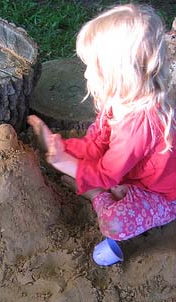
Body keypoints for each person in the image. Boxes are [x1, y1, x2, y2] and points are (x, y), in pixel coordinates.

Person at [28, 3, 176, 242]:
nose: (86, 75)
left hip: (162, 193)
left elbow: (107, 173)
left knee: (114, 224)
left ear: (121, 75)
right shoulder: (119, 100)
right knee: (106, 173)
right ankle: (118, 191)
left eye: (93, 69)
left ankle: (96, 196)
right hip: (131, 173)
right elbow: (96, 144)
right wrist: (62, 146)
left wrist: (67, 164)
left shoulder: (139, 126)